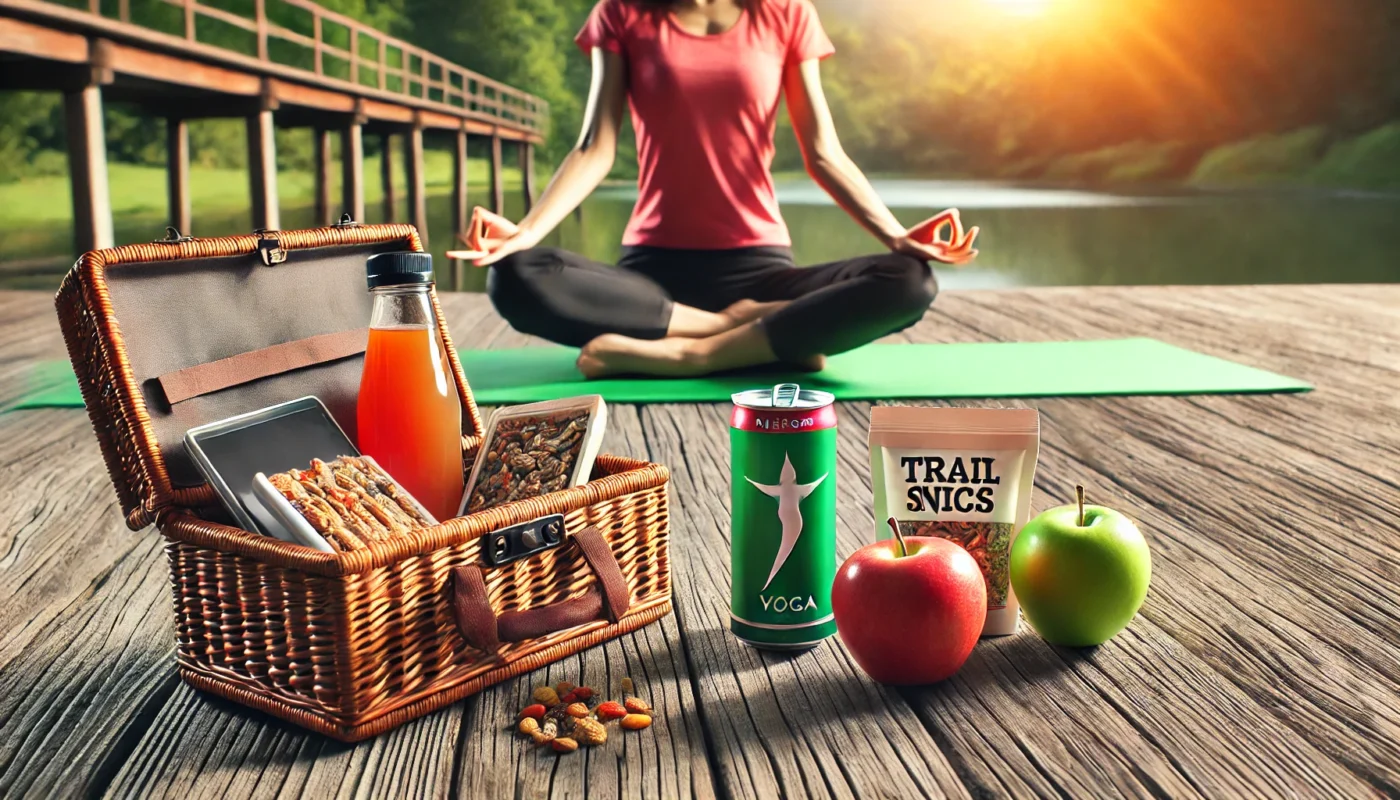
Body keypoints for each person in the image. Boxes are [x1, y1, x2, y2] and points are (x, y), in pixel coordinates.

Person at [475, 0, 976, 378]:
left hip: (762, 272)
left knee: (909, 281)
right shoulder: (622, 12)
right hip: (651, 281)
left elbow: (823, 152)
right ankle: (756, 335)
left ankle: (698, 353)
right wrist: (526, 230)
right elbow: (595, 147)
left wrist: (894, 235)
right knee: (513, 275)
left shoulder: (786, 13)